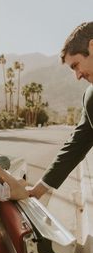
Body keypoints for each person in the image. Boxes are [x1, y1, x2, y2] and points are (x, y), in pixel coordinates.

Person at [29, 21, 93, 199]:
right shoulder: (91, 98)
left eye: (76, 65)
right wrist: (36, 191)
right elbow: (76, 146)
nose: (78, 76)